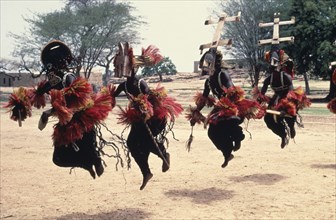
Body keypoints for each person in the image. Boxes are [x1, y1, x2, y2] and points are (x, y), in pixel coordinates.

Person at [5, 40, 115, 179]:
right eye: (48, 67)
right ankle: (86, 164)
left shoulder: (68, 78)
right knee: (59, 159)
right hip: (65, 125)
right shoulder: (52, 82)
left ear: (57, 64)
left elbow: (76, 103)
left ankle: (95, 160)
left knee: (90, 155)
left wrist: (50, 112)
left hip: (81, 123)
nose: (48, 70)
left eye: (50, 66)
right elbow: (35, 94)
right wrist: (20, 103)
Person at [111, 42, 183, 190]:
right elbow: (111, 97)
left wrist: (145, 109)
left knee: (144, 140)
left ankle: (164, 154)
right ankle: (146, 172)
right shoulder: (123, 86)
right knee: (131, 143)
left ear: (133, 68)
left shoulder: (140, 83)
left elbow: (152, 101)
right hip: (140, 119)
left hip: (155, 118)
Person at [187, 48, 263, 168]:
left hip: (234, 106)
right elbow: (203, 99)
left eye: (208, 63)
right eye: (206, 64)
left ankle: (238, 137)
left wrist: (226, 102)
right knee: (212, 132)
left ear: (215, 63)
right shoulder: (208, 82)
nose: (206, 66)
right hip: (221, 108)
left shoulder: (223, 74)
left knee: (229, 121)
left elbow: (231, 90)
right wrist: (195, 113)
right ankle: (227, 153)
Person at [255, 45, 310, 148]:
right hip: (276, 98)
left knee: (289, 112)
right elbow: (261, 94)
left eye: (275, 66)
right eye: (271, 67)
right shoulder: (269, 79)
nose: (272, 68)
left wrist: (285, 108)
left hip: (286, 99)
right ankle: (283, 135)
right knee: (268, 120)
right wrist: (257, 104)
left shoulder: (286, 77)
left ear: (280, 65)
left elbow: (291, 94)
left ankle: (291, 126)